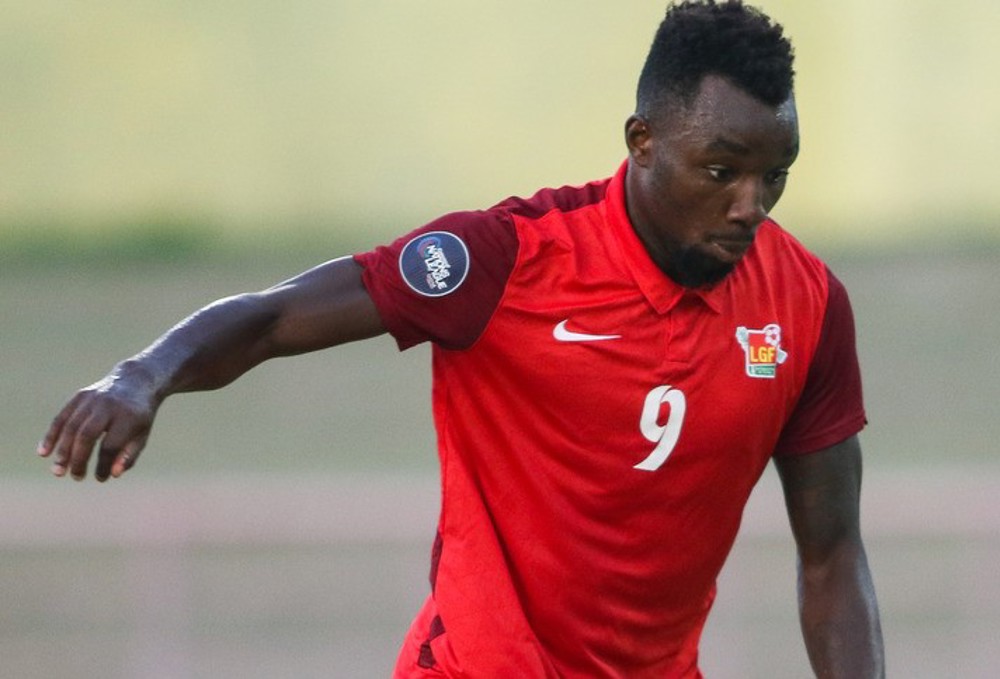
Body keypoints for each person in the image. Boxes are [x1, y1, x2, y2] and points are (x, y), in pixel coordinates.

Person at [38, 1, 885, 676]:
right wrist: (142, 375)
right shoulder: (503, 260)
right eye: (721, 170)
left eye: (775, 176)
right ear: (642, 142)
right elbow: (276, 316)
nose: (750, 204)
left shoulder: (806, 304)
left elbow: (833, 554)